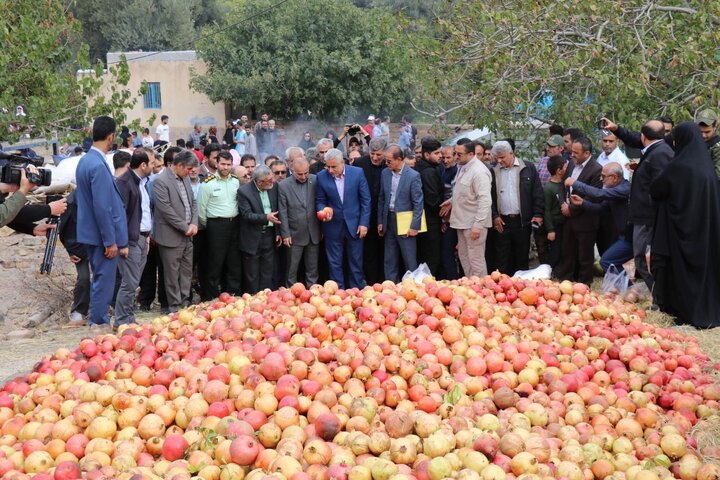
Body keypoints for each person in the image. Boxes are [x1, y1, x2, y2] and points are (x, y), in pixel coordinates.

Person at [650, 122, 720, 328]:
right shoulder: (707, 167)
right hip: (703, 232)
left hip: (681, 233)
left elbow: (657, 189)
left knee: (682, 274)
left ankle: (686, 312)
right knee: (701, 274)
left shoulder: (678, 166)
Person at [604, 118, 673, 290]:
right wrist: (617, 129)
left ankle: (660, 297)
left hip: (647, 217)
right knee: (641, 258)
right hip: (643, 216)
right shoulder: (656, 149)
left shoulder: (660, 154)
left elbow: (660, 188)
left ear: (644, 136)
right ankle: (658, 295)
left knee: (642, 259)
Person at [75, 115, 128, 331]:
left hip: (92, 233)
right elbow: (102, 207)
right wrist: (110, 240)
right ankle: (98, 322)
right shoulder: (97, 165)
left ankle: (98, 321)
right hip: (101, 236)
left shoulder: (85, 161)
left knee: (101, 279)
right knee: (104, 282)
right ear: (111, 137)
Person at [315, 148, 371, 289]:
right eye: (327, 166)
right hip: (332, 226)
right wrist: (322, 210)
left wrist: (364, 223)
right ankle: (338, 293)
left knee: (356, 262)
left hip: (355, 225)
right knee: (334, 263)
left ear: (343, 162)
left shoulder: (357, 173)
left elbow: (366, 200)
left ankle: (356, 292)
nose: (330, 170)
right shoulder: (321, 176)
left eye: (333, 166)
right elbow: (320, 200)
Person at [152, 149, 199, 312]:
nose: (190, 172)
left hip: (188, 234)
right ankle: (174, 306)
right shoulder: (161, 181)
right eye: (188, 169)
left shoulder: (185, 178)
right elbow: (166, 210)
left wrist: (193, 223)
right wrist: (185, 227)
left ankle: (185, 302)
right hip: (171, 236)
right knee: (172, 274)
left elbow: (193, 202)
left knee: (186, 271)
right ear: (179, 165)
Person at [439, 139, 493, 277]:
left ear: (470, 154)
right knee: (464, 258)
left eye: (459, 154)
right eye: (455, 153)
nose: (456, 157)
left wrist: (478, 224)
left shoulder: (479, 172)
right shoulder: (463, 167)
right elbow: (465, 192)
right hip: (462, 221)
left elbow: (485, 200)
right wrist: (451, 201)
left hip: (473, 223)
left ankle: (482, 291)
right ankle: (470, 289)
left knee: (476, 260)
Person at [490, 141, 544, 275]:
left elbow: (537, 193)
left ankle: (521, 290)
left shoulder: (528, 168)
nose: (499, 160)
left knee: (521, 258)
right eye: (497, 158)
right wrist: (494, 216)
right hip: (502, 222)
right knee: (502, 259)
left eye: (502, 157)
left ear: (511, 153)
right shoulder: (493, 171)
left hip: (522, 222)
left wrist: (538, 213)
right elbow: (488, 197)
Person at [567, 162, 631, 273]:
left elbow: (599, 194)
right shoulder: (614, 190)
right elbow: (601, 209)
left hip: (633, 237)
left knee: (609, 261)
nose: (601, 179)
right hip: (625, 236)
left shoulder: (624, 189)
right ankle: (629, 288)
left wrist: (575, 183)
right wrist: (582, 203)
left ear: (615, 178)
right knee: (608, 261)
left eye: (603, 176)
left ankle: (630, 288)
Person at [554, 137, 603, 285]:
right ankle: (566, 281)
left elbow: (592, 196)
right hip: (568, 218)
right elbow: (563, 185)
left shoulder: (597, 169)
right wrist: (563, 204)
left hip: (585, 220)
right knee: (567, 252)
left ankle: (584, 285)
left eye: (576, 152)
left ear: (587, 153)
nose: (572, 155)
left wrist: (571, 209)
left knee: (585, 256)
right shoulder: (571, 165)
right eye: (572, 151)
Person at [114, 148, 153, 328]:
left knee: (135, 280)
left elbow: (143, 212)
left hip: (142, 237)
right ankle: (121, 320)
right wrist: (122, 242)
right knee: (129, 281)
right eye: (152, 163)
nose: (154, 166)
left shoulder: (142, 182)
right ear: (143, 165)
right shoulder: (125, 182)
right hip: (130, 239)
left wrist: (147, 235)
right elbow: (120, 215)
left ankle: (129, 318)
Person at [197, 151, 242, 299]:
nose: (225, 167)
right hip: (216, 225)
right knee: (215, 263)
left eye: (229, 164)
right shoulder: (208, 183)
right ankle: (211, 298)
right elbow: (201, 210)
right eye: (223, 164)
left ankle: (232, 295)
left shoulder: (236, 181)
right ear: (216, 163)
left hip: (234, 224)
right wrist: (210, 225)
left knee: (233, 262)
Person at [377, 144, 424, 283]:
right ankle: (391, 288)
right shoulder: (385, 173)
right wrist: (380, 221)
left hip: (405, 221)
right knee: (389, 258)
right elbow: (381, 198)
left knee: (409, 258)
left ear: (399, 159)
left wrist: (415, 225)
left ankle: (414, 288)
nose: (386, 163)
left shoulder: (413, 176)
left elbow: (418, 202)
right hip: (389, 220)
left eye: (389, 160)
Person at [278, 158, 321, 287]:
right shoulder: (283, 185)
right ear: (292, 171)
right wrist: (285, 234)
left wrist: (321, 230)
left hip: (314, 232)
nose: (303, 176)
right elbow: (283, 212)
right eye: (300, 174)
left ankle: (313, 293)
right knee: (292, 269)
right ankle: (290, 293)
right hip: (294, 233)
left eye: (306, 173)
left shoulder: (315, 180)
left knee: (313, 268)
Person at [237, 165, 280, 294]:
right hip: (252, 237)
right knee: (252, 273)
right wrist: (266, 217)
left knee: (268, 271)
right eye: (269, 181)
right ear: (259, 182)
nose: (272, 182)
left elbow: (278, 210)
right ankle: (253, 300)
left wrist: (278, 232)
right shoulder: (244, 192)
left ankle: (266, 298)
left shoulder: (274, 187)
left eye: (272, 179)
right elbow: (246, 215)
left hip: (269, 235)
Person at [353, 138, 387, 285]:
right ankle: (372, 283)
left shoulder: (389, 164)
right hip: (365, 216)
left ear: (385, 153)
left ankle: (385, 282)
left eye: (379, 154)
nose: (375, 157)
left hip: (385, 216)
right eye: (372, 154)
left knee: (386, 252)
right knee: (369, 253)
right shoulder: (360, 164)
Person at [58, 190, 90, 326]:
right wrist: (71, 251)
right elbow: (65, 230)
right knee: (84, 278)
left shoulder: (102, 194)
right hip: (80, 246)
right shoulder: (71, 202)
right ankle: (79, 310)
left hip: (102, 244)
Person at [415, 137, 444, 277]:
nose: (440, 156)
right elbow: (433, 200)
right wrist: (443, 215)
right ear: (427, 155)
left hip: (423, 221)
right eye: (437, 153)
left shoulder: (422, 168)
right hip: (431, 221)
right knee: (431, 259)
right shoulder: (428, 172)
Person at [439, 145, 460, 279]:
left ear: (455, 157)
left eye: (448, 157)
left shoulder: (456, 172)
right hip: (445, 218)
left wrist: (446, 220)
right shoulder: (443, 170)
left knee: (448, 254)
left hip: (453, 219)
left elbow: (455, 198)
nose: (446, 160)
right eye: (443, 158)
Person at [543, 156, 567, 267]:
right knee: (555, 251)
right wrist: (550, 230)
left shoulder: (565, 184)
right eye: (565, 166)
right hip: (555, 224)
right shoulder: (549, 188)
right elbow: (546, 210)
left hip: (565, 223)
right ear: (559, 170)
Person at [696, 108, 720, 180]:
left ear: (715, 127)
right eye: (700, 132)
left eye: (707, 132)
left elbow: (717, 174)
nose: (703, 135)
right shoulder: (695, 140)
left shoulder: (717, 146)